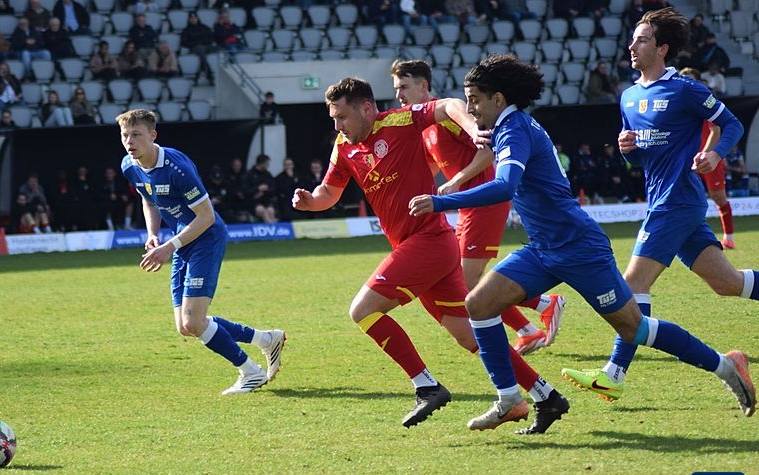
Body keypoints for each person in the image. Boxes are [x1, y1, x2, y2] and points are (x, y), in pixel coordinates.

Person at [406, 53, 754, 423]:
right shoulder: (510, 127)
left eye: (475, 99)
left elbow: (505, 186)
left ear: (498, 99)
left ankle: (726, 365)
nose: (471, 109)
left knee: (634, 328)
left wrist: (441, 201)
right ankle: (510, 399)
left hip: (578, 248)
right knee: (478, 303)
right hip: (544, 248)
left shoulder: (515, 129)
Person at [294, 77, 567, 432]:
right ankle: (544, 395)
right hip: (424, 249)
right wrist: (310, 202)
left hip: (428, 242)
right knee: (470, 336)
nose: (338, 126)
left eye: (342, 117)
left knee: (362, 310)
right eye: (334, 119)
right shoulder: (344, 146)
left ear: (366, 108)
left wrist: (471, 127)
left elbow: (449, 104)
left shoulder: (399, 121)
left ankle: (426, 386)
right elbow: (328, 193)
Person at [560, 8, 757, 408]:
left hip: (676, 202)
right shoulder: (629, 96)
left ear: (662, 48)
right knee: (727, 283)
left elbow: (732, 123)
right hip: (666, 200)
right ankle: (730, 363)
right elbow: (640, 159)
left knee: (632, 285)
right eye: (633, 39)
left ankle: (614, 375)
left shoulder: (684, 89)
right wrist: (628, 150)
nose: (632, 46)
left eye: (642, 40)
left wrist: (714, 154)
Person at [391, 59, 563, 356]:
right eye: (396, 88)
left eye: (404, 87)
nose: (399, 95)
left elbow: (488, 150)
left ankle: (541, 309)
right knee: (464, 281)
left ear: (423, 86)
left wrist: (456, 181)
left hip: (484, 201)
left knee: (464, 283)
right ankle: (532, 322)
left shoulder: (447, 115)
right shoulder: (425, 126)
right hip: (468, 206)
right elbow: (434, 164)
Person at [118, 109, 286, 395]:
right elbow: (149, 200)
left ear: (153, 135)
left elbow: (206, 216)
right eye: (125, 136)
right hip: (182, 241)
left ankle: (250, 371)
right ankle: (266, 339)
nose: (129, 142)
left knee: (193, 321)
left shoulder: (177, 167)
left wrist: (169, 246)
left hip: (206, 238)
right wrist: (153, 234)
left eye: (136, 135)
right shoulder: (129, 165)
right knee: (185, 326)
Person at [680, 67, 734, 249]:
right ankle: (690, 238)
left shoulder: (705, 102)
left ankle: (729, 237)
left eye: (690, 79)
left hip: (708, 158)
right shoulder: (678, 103)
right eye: (683, 79)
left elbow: (715, 130)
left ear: (699, 81)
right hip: (687, 160)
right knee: (686, 198)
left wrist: (704, 154)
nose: (686, 82)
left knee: (718, 196)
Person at [180, 10, 216, 81]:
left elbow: (211, 37)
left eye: (195, 18)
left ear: (197, 18)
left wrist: (206, 42)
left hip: (207, 46)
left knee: (220, 49)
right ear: (189, 20)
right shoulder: (186, 30)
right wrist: (195, 43)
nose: (193, 20)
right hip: (194, 48)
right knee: (200, 49)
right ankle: (207, 72)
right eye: (191, 18)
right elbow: (183, 43)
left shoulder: (204, 27)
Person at [101, 166, 136, 230]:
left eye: (111, 173)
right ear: (105, 175)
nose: (110, 175)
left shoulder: (119, 183)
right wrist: (109, 196)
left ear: (114, 174)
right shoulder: (103, 184)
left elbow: (124, 192)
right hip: (107, 202)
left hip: (118, 201)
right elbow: (100, 195)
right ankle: (110, 226)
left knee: (130, 204)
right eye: (108, 173)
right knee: (105, 206)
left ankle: (127, 225)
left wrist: (120, 196)